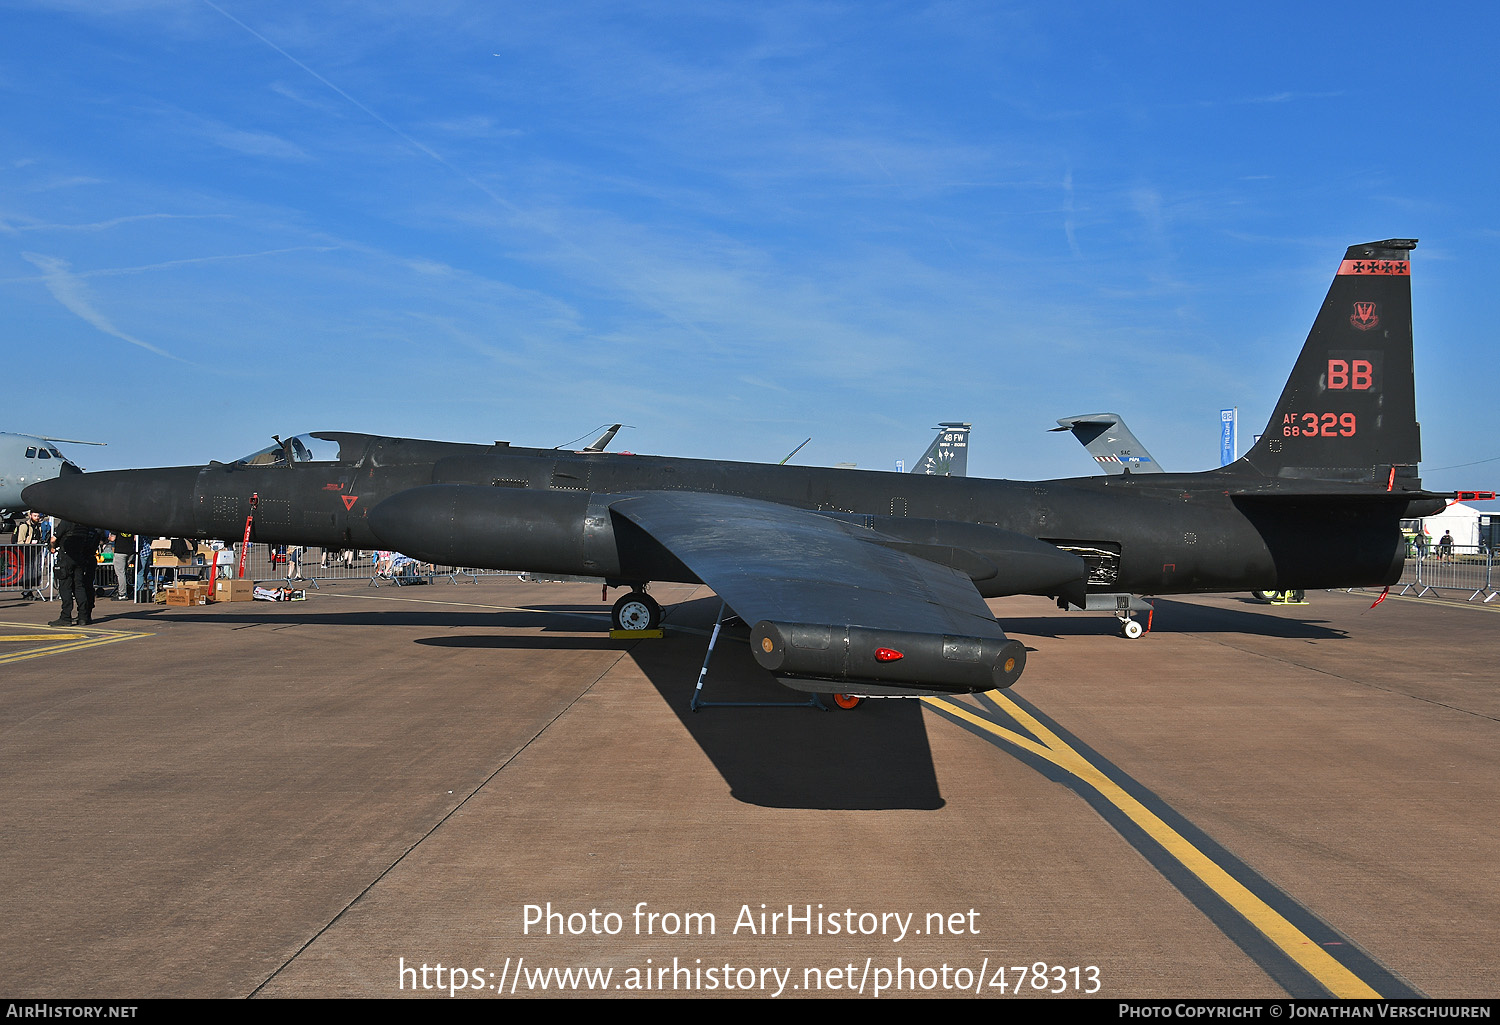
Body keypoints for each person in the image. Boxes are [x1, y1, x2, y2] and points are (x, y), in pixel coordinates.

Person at [49, 518, 99, 626]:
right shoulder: (84, 524)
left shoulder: (67, 522)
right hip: (79, 558)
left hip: (67, 558)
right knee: (79, 587)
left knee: (65, 587)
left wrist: (52, 548)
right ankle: (83, 616)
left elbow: (53, 539)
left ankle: (65, 617)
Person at [111, 531, 135, 601]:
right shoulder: (131, 525)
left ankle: (122, 594)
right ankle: (126, 590)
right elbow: (135, 538)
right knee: (124, 573)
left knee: (120, 574)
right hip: (130, 551)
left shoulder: (117, 525)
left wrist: (109, 537)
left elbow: (112, 538)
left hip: (120, 551)